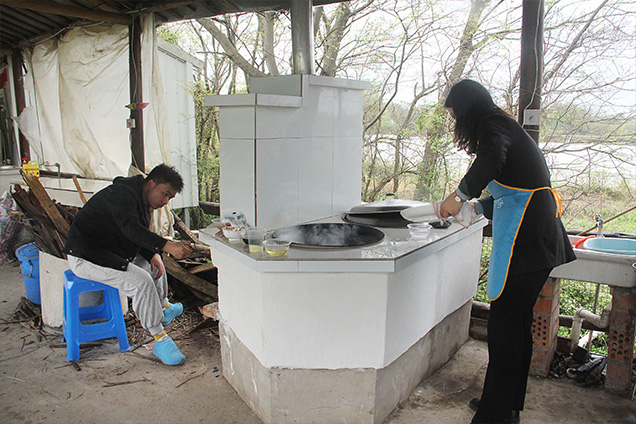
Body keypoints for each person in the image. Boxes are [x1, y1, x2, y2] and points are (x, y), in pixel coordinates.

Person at [439, 79, 576, 423]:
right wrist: (477, 208)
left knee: (505, 329)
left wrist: (458, 197)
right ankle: (505, 405)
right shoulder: (502, 125)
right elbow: (515, 189)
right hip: (536, 237)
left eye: (454, 114)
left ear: (467, 109)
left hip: (528, 241)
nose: (455, 121)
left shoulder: (494, 126)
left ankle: (496, 413)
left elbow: (491, 161)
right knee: (515, 326)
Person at [64, 164, 193, 366]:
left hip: (110, 252)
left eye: (170, 198)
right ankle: (159, 338)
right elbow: (130, 228)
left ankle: (163, 307)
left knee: (154, 266)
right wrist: (167, 245)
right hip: (86, 256)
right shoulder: (121, 195)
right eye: (165, 194)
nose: (166, 202)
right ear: (151, 184)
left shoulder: (142, 201)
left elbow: (136, 234)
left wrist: (153, 253)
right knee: (141, 281)